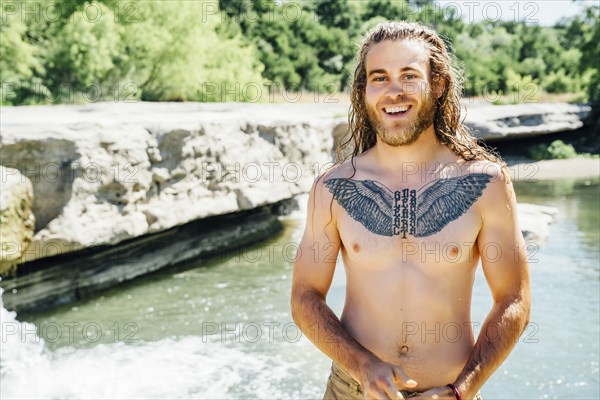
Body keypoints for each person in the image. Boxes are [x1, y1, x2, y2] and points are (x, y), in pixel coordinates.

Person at [290, 21, 531, 400]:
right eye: (379, 77)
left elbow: (513, 300)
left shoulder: (486, 182)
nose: (393, 91)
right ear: (364, 91)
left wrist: (462, 390)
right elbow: (305, 297)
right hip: (351, 390)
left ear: (437, 85)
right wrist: (362, 366)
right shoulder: (334, 186)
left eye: (409, 75)